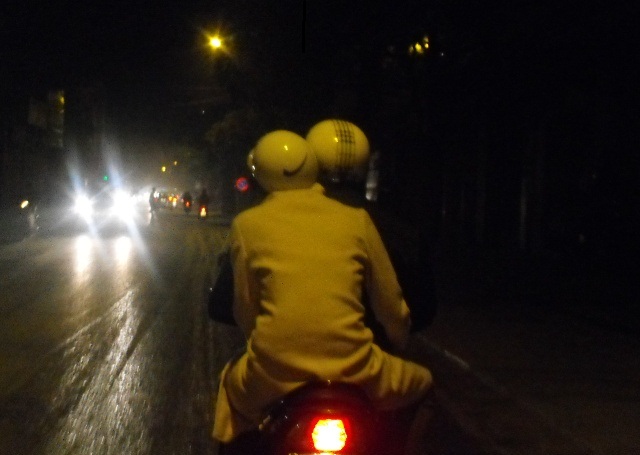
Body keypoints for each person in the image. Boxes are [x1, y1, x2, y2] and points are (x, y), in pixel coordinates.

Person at [212, 130, 433, 453]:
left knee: (230, 393)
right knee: (424, 383)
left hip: (272, 372)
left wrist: (257, 343)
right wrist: (398, 342)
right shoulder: (356, 219)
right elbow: (390, 302)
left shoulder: (247, 224)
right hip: (357, 368)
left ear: (260, 175)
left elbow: (244, 305)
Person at [305, 119, 438, 336]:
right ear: (365, 166)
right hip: (374, 347)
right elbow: (423, 309)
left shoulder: (280, 222)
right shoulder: (398, 229)